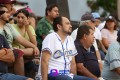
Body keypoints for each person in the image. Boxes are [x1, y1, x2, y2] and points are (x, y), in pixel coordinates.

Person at [0, 4, 39, 76]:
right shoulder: (11, 26)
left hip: (11, 51)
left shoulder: (8, 26)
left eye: (22, 17)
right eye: (6, 12)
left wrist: (34, 47)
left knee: (30, 51)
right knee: (19, 54)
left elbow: (20, 39)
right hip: (3, 52)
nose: (9, 15)